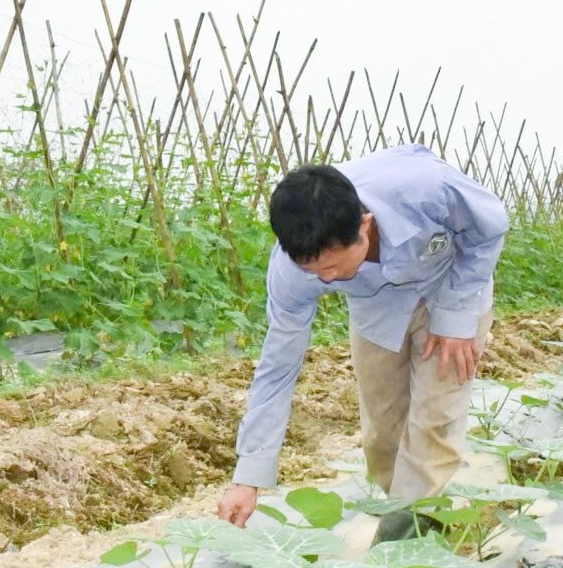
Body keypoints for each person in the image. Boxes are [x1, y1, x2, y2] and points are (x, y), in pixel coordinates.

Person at [217, 144, 510, 528]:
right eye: (316, 272)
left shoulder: (425, 187)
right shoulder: (291, 272)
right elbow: (277, 369)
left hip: (450, 288)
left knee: (433, 423)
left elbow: (489, 227)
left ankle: (404, 548)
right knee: (382, 437)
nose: (326, 279)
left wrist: (456, 316)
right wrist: (249, 476)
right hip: (376, 310)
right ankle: (413, 521)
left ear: (364, 226)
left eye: (335, 266)